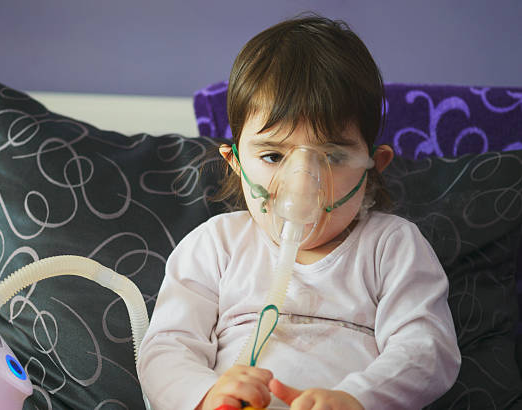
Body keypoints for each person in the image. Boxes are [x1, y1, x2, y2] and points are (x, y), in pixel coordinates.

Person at [137, 14, 460, 410]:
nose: (302, 182)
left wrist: (355, 399)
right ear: (235, 162)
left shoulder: (391, 247)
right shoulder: (215, 246)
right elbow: (166, 348)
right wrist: (205, 396)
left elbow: (427, 350)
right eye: (273, 155)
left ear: (374, 164)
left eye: (331, 156)